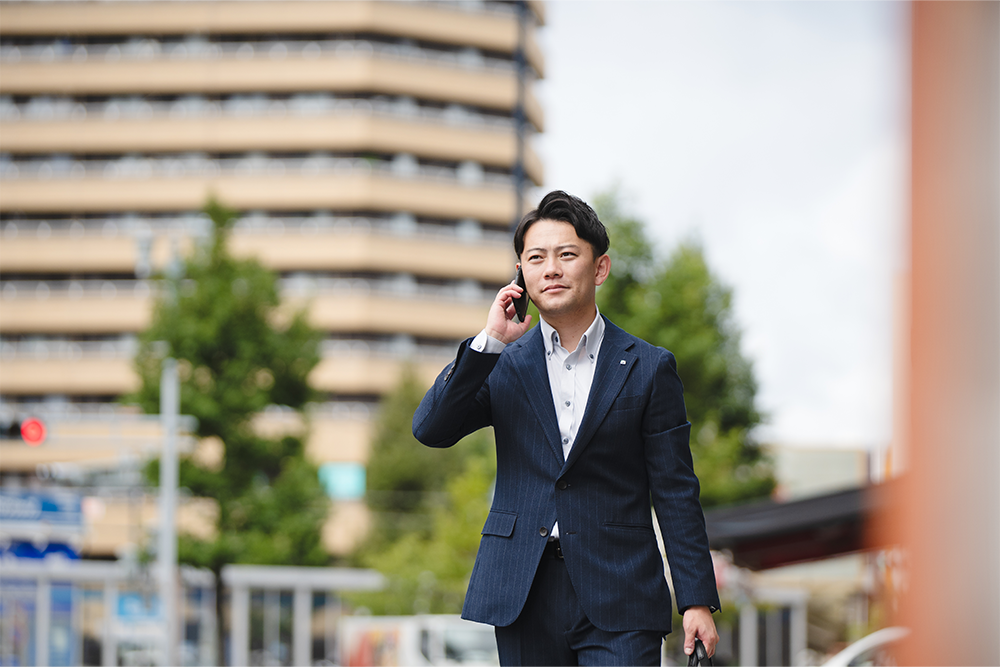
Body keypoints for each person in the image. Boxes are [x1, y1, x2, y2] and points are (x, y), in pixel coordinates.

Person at [412, 190, 720, 667]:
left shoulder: (650, 368)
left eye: (566, 255)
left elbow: (676, 490)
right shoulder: (503, 363)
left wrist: (696, 598)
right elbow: (431, 428)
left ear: (599, 268)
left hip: (621, 589)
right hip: (522, 587)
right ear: (521, 274)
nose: (550, 269)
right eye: (535, 259)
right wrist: (490, 340)